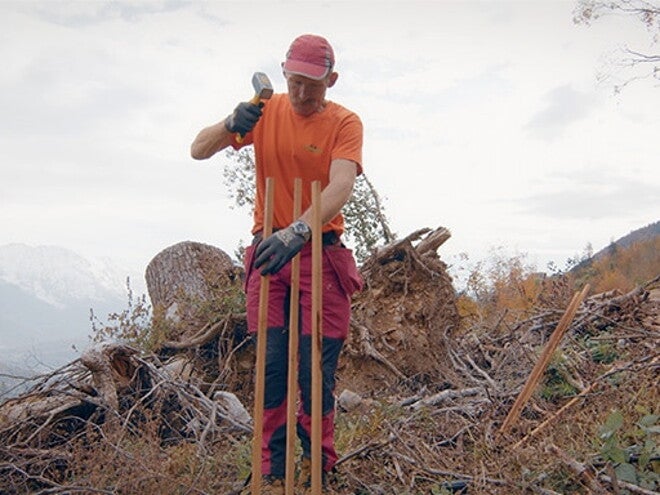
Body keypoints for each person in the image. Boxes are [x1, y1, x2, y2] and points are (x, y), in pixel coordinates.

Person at [191, 34, 363, 494]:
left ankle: (317, 466)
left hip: (318, 252)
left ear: (331, 79)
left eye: (313, 83)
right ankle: (271, 470)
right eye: (295, 81)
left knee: (315, 367)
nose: (303, 93)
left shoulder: (345, 122)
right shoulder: (266, 111)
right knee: (270, 366)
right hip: (268, 251)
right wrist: (232, 121)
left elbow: (341, 185)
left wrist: (298, 230)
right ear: (283, 74)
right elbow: (198, 149)